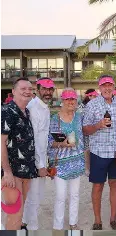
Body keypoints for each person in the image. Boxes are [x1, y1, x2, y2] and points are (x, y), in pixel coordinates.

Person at [83, 75, 116, 230]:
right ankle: (98, 220)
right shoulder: (92, 104)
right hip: (98, 152)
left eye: (110, 85)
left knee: (115, 184)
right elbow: (85, 130)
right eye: (104, 85)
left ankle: (113, 219)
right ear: (99, 88)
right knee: (98, 186)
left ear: (113, 87)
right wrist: (98, 125)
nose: (107, 88)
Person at [1, 77, 38, 230]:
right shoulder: (7, 111)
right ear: (13, 92)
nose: (27, 91)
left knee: (20, 213)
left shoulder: (26, 111)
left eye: (30, 89)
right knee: (15, 214)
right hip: (13, 173)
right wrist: (7, 172)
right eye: (23, 89)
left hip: (26, 171)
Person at [48, 88, 85, 230]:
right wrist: (62, 144)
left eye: (73, 99)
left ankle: (73, 223)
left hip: (77, 161)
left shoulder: (79, 117)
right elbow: (50, 142)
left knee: (75, 195)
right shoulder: (55, 119)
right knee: (60, 196)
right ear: (62, 101)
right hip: (61, 164)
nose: (71, 102)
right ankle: (57, 226)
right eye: (68, 99)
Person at [21, 77, 55, 230]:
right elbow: (32, 140)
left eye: (50, 89)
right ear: (38, 89)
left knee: (36, 196)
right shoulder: (34, 108)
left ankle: (24, 223)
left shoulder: (44, 107)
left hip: (41, 159)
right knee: (33, 197)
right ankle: (29, 226)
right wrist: (40, 165)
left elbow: (44, 137)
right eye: (44, 89)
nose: (48, 92)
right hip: (33, 161)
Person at [77, 88, 99, 176]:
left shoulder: (97, 105)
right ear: (88, 96)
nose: (93, 97)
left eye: (94, 95)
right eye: (91, 96)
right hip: (85, 131)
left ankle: (94, 167)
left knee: (94, 150)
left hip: (95, 130)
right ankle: (87, 168)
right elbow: (79, 119)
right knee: (86, 150)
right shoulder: (82, 107)